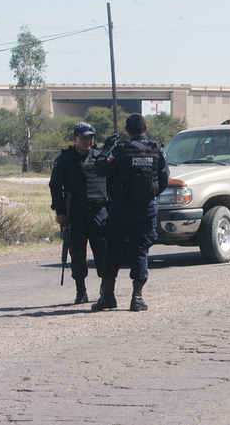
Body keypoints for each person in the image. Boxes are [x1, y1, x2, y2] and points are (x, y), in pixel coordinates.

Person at [91, 114, 169, 311]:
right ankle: (137, 298)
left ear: (127, 130)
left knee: (113, 250)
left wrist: (106, 148)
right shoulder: (157, 150)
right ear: (146, 127)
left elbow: (99, 168)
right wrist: (148, 196)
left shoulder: (119, 150)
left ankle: (108, 296)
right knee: (140, 251)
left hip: (120, 208)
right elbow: (164, 180)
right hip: (146, 208)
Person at [49, 122, 109, 304]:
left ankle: (106, 290)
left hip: (99, 212)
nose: (87, 141)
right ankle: (81, 290)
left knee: (103, 253)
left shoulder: (101, 158)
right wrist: (60, 212)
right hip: (75, 214)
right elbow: (55, 186)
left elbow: (112, 183)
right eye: (83, 138)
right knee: (77, 254)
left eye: (90, 138)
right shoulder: (65, 160)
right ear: (75, 138)